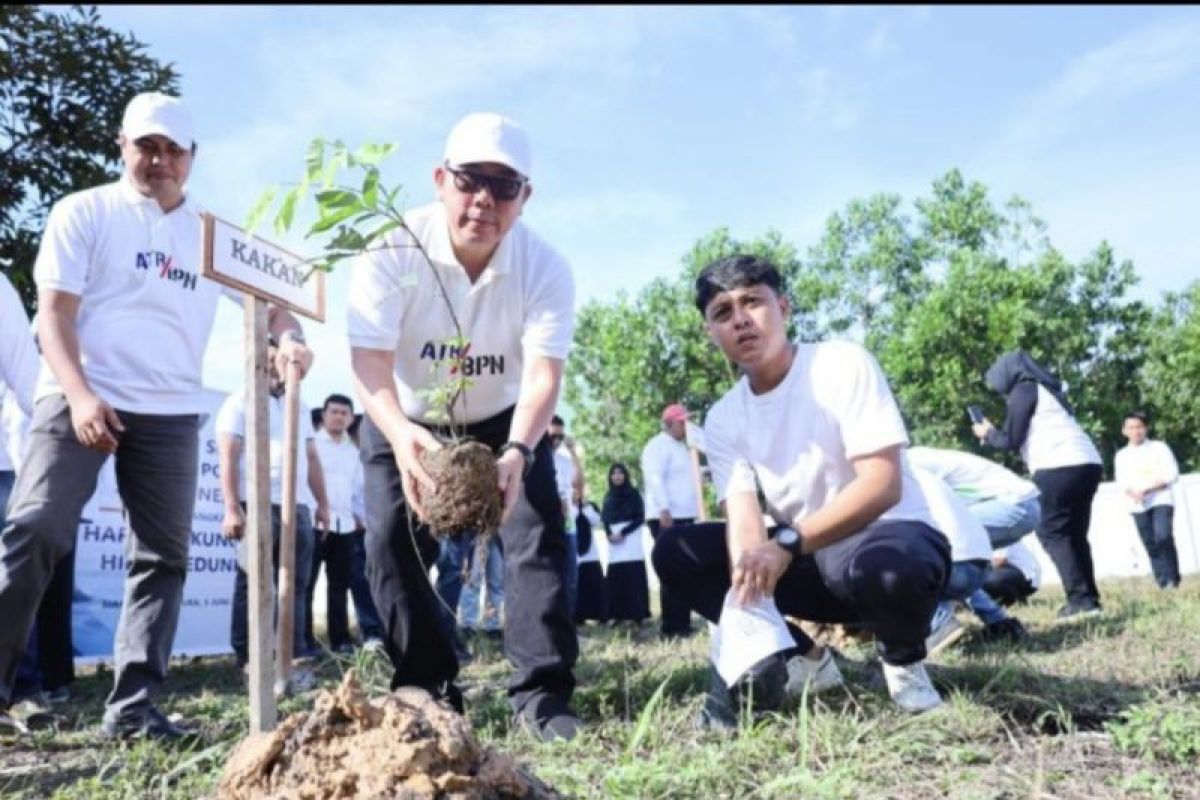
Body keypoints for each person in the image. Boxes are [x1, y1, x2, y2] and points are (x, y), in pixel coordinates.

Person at [0, 92, 313, 740]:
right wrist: (81, 395)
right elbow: (53, 316)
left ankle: (135, 710)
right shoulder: (83, 211)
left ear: (193, 158)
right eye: (148, 146)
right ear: (123, 146)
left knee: (164, 557)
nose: (160, 160)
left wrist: (287, 342)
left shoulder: (211, 235)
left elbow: (277, 305)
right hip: (81, 393)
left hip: (172, 412)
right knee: (35, 529)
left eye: (174, 149)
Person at [347, 112, 580, 741]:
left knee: (536, 535)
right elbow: (368, 361)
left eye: (505, 187)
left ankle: (542, 693)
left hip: (505, 417)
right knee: (390, 537)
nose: (484, 201)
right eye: (469, 180)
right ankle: (427, 682)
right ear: (439, 180)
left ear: (525, 198)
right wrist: (400, 437)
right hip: (407, 412)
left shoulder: (546, 268)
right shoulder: (391, 250)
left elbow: (541, 375)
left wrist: (517, 452)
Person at [652, 254, 952, 723]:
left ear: (784, 308)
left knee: (891, 570)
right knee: (676, 551)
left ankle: (903, 664)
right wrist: (749, 619)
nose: (741, 320)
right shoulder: (725, 418)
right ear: (710, 332)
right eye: (723, 313)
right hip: (810, 561)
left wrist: (787, 542)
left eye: (752, 302)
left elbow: (883, 484)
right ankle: (807, 658)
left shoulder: (841, 363)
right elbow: (745, 525)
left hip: (885, 539)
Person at [218, 338, 330, 668]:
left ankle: (291, 652)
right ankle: (249, 655)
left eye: (278, 359)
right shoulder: (240, 401)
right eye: (267, 359)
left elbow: (310, 457)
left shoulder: (300, 404)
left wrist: (322, 503)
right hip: (258, 503)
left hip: (298, 507)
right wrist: (230, 506)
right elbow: (228, 455)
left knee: (295, 582)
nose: (274, 365)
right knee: (254, 580)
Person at [973, 350, 1104, 620]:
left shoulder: (1025, 389)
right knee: (1074, 534)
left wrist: (988, 433)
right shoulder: (1045, 390)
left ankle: (1080, 601)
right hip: (1087, 463)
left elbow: (1010, 439)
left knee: (1051, 531)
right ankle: (1088, 600)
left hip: (1058, 465)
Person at [309, 393, 384, 653]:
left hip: (346, 526)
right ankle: (305, 641)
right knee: (307, 583)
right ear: (323, 415)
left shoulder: (354, 452)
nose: (339, 417)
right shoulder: (313, 445)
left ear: (351, 419)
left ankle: (340, 640)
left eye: (344, 413)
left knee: (339, 585)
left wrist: (359, 517)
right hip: (314, 523)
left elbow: (356, 489)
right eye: (334, 412)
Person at [641, 403, 701, 638]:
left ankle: (683, 622)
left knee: (685, 570)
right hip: (667, 516)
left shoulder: (682, 448)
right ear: (670, 423)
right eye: (682, 422)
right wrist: (664, 509)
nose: (686, 426)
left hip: (685, 514)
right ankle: (672, 626)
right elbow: (655, 478)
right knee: (671, 570)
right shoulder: (657, 446)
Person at [1114, 411, 1181, 589]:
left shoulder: (1159, 448)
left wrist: (1149, 489)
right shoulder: (1122, 455)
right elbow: (1121, 481)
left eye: (1139, 427)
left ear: (1146, 428)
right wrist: (1133, 493)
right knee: (1150, 542)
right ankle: (1162, 581)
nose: (1136, 431)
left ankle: (1173, 578)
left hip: (1160, 498)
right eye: (1131, 427)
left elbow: (1171, 474)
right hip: (1137, 504)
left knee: (1163, 535)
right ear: (1124, 431)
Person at [601, 463, 651, 625]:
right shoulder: (608, 496)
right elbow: (605, 519)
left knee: (633, 574)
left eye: (620, 473)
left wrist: (624, 532)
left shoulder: (634, 495)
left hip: (631, 538)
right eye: (613, 473)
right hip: (614, 542)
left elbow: (640, 517)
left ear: (625, 475)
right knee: (616, 575)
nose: (617, 476)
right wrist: (609, 534)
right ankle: (616, 615)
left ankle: (636, 614)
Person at [550, 414, 582, 615]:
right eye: (552, 436)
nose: (556, 441)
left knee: (570, 576)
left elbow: (579, 487)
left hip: (568, 523)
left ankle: (568, 622)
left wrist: (573, 453)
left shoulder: (564, 459)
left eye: (560, 437)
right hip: (547, 524)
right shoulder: (533, 459)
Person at [573, 500, 608, 624]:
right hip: (574, 553)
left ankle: (600, 615)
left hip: (591, 554)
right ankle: (578, 617)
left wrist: (585, 507)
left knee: (595, 585)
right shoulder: (565, 505)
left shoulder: (590, 507)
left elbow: (598, 520)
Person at [982, 539, 1042, 606]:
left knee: (987, 579)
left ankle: (1013, 597)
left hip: (1028, 577)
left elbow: (999, 560)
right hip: (1016, 574)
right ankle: (1015, 597)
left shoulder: (1001, 535)